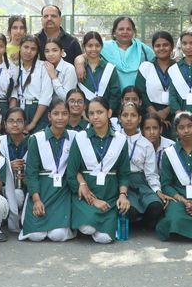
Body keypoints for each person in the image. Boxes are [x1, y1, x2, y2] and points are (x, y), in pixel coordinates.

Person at [68, 96, 131, 243]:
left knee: (105, 239)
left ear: (109, 113)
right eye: (91, 113)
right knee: (87, 228)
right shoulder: (80, 138)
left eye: (100, 112)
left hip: (109, 196)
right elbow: (72, 171)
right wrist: (92, 198)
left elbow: (124, 173)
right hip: (86, 195)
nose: (95, 117)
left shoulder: (120, 140)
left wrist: (123, 195)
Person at [155, 111, 192, 243]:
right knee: (174, 218)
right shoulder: (169, 153)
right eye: (181, 127)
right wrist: (183, 200)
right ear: (176, 131)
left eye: (190, 126)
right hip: (178, 198)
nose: (186, 130)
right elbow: (166, 184)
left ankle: (184, 232)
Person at [21, 101, 77, 242]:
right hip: (41, 190)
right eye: (56, 113)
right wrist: (36, 200)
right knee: (35, 236)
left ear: (69, 116)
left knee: (57, 235)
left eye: (64, 114)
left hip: (62, 191)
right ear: (49, 116)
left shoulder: (75, 137)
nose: (60, 117)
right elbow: (31, 173)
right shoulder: (36, 139)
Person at [119, 102, 163, 229]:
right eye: (125, 115)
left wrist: (157, 190)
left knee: (156, 205)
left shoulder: (146, 144)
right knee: (130, 209)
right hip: (122, 181)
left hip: (140, 181)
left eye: (133, 115)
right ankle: (134, 220)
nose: (129, 119)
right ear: (120, 118)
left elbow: (151, 173)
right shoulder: (115, 139)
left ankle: (143, 222)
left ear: (139, 119)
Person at [0, 107, 32, 232]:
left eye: (19, 121)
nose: (15, 124)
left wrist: (27, 174)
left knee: (19, 196)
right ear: (5, 124)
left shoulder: (32, 141)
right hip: (3, 187)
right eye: (11, 121)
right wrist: (8, 167)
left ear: (25, 124)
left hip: (27, 188)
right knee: (15, 196)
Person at [100, 15, 154, 90]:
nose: (125, 32)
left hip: (138, 95)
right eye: (121, 29)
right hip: (112, 94)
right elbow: (87, 56)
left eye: (129, 29)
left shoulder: (143, 49)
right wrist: (81, 62)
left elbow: (158, 63)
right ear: (114, 33)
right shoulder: (103, 48)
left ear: (133, 32)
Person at [136, 31, 177, 124]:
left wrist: (166, 111)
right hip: (149, 113)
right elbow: (141, 92)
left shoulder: (179, 67)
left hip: (174, 112)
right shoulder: (145, 67)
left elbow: (181, 92)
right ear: (153, 48)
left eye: (165, 45)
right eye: (157, 46)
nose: (161, 48)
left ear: (172, 47)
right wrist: (155, 114)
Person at [75, 31, 121, 109]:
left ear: (101, 46)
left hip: (105, 112)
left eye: (97, 45)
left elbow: (115, 94)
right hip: (83, 112)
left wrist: (110, 110)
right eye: (90, 46)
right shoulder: (79, 68)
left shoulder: (109, 68)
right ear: (83, 47)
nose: (94, 49)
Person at [14, 36, 46, 131]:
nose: (28, 51)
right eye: (26, 47)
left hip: (37, 110)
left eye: (33, 49)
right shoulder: (15, 68)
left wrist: (33, 123)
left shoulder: (43, 67)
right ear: (20, 47)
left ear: (37, 52)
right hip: (19, 109)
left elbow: (46, 97)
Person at [39, 36, 79, 107]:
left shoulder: (69, 69)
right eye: (47, 51)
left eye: (54, 50)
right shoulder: (43, 67)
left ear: (62, 52)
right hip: (45, 108)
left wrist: (53, 77)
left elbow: (67, 97)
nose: (50, 54)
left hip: (64, 109)